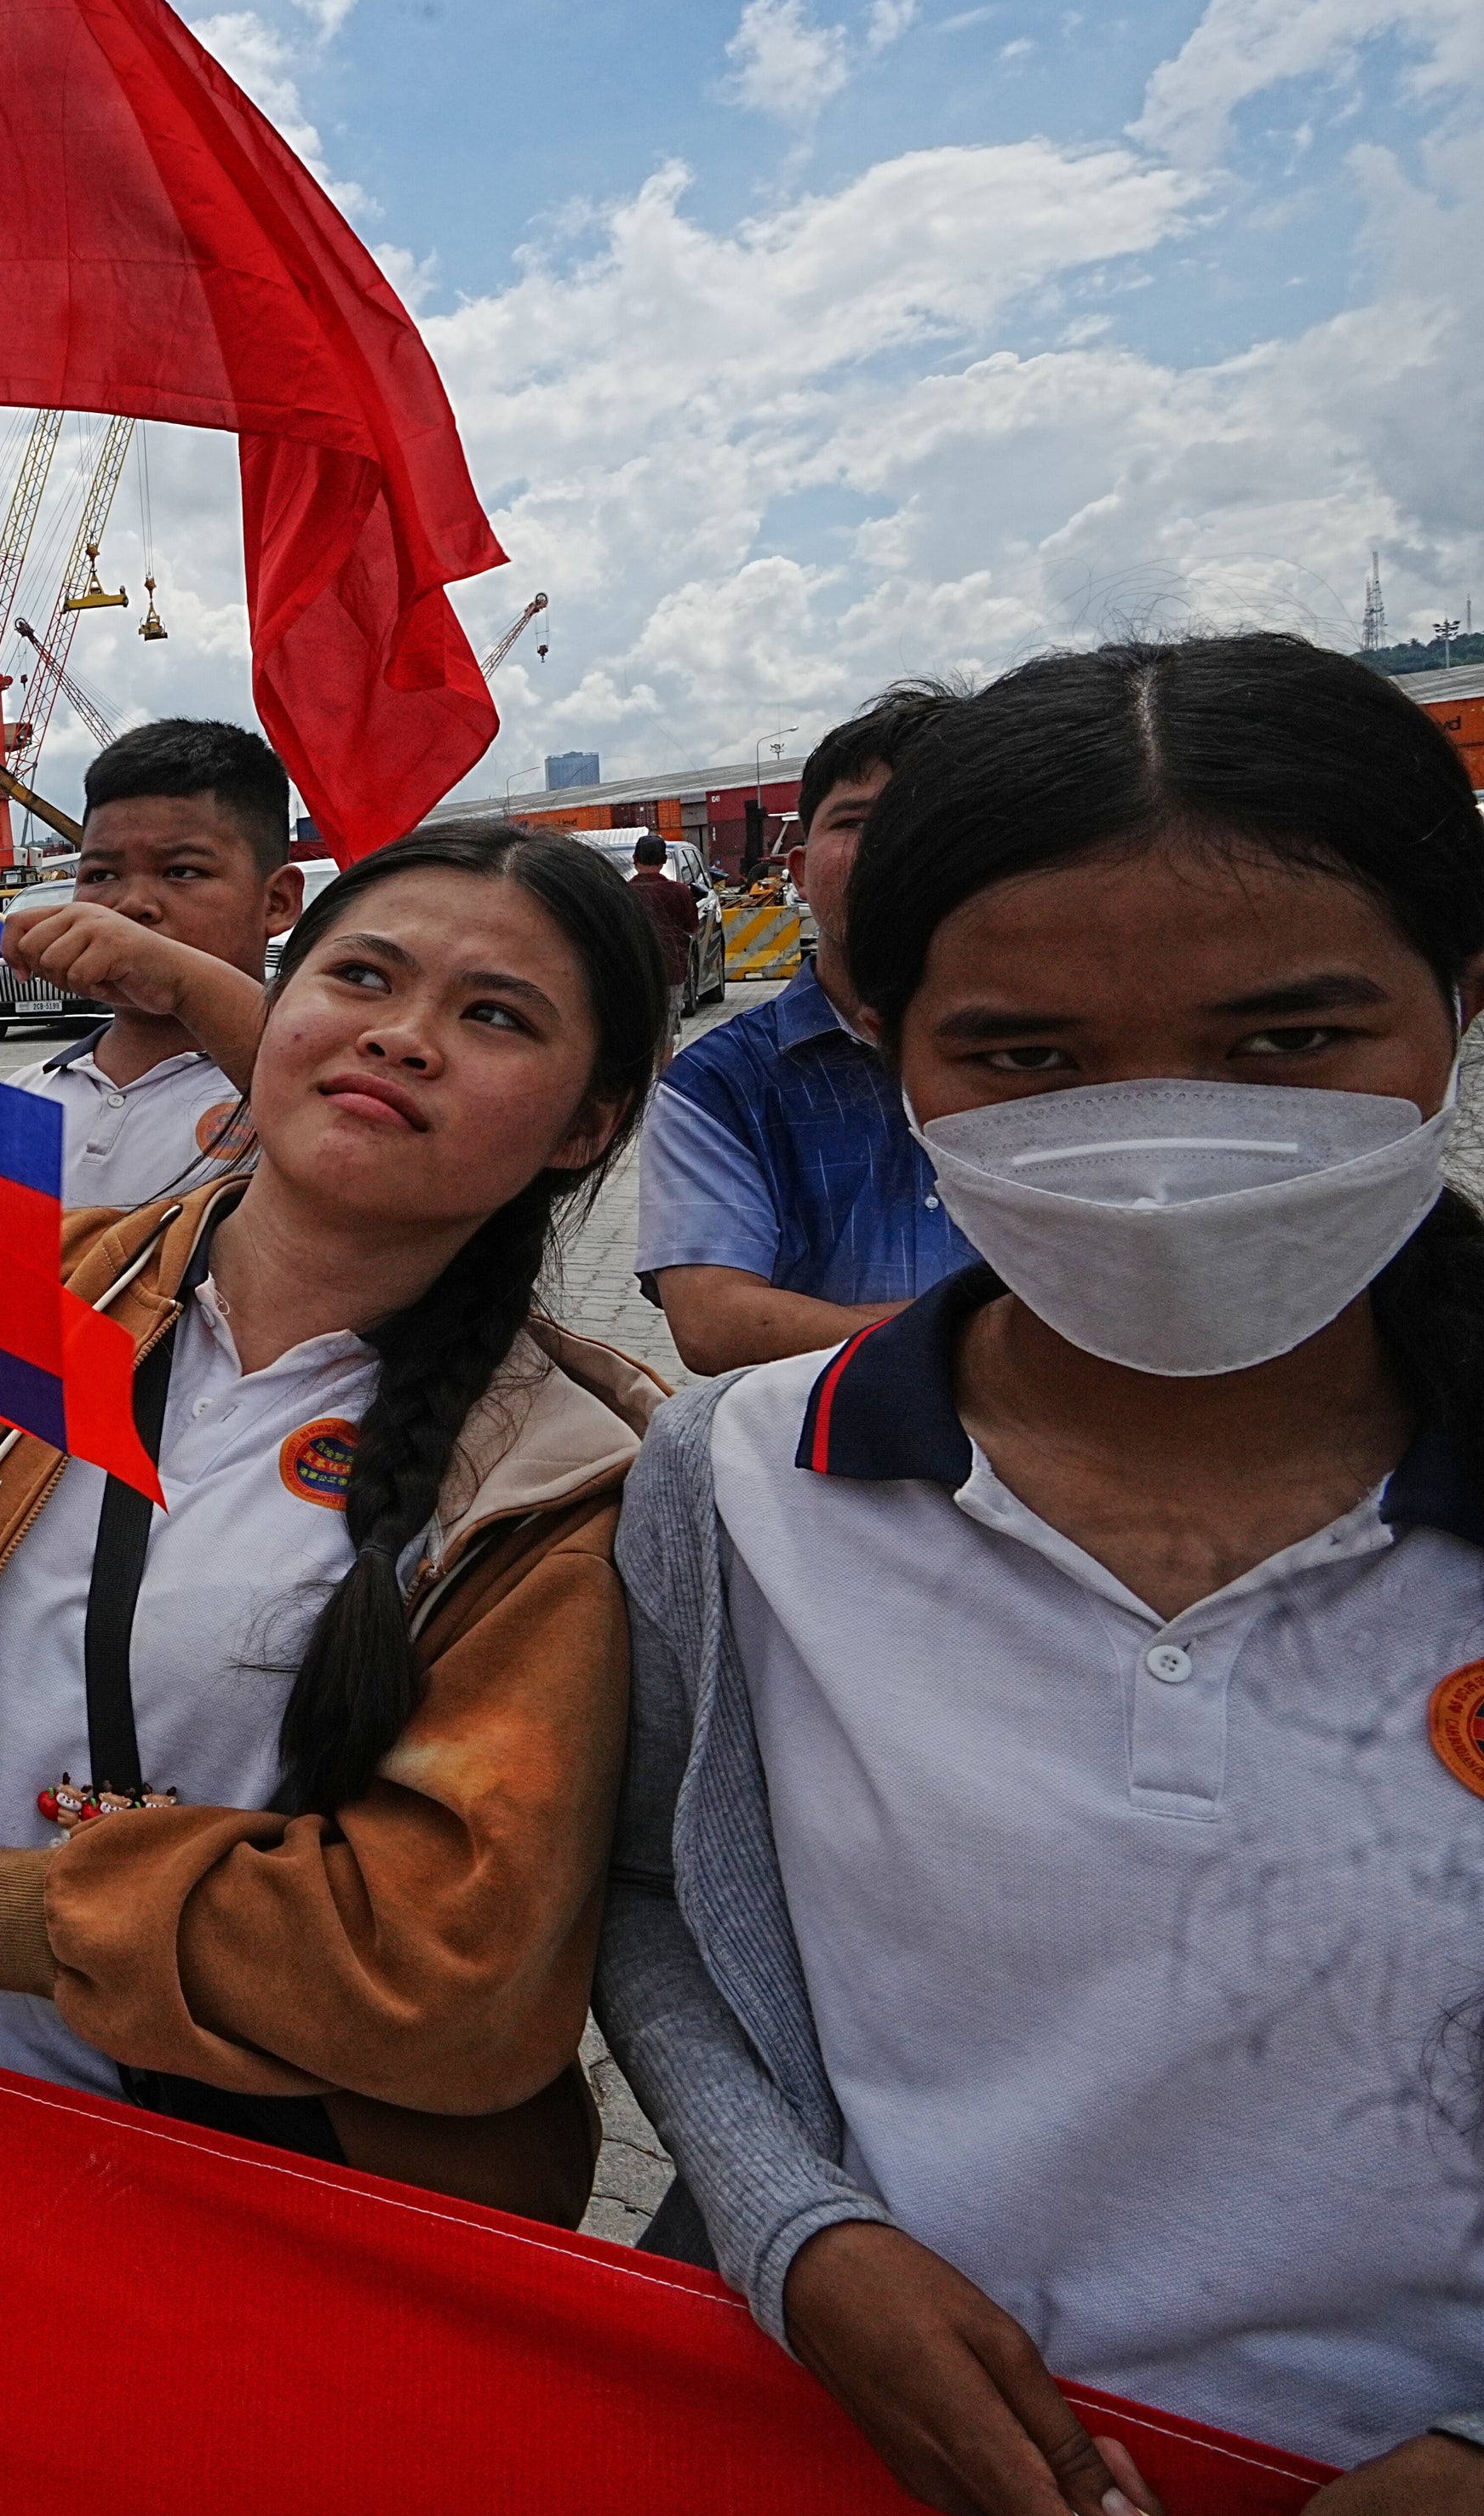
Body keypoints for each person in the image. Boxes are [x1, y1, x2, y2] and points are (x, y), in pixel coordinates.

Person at [598, 633, 1484, 2502]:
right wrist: (798, 2237)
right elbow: (657, 1896)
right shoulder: (741, 1481)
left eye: (1286, 1042)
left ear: (1456, 1004)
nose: (1157, 1149)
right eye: (1026, 1056)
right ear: (893, 1052)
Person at [0, 821, 668, 2222]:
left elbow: (442, 1957)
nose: (404, 1037)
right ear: (280, 1010)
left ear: (588, 1122)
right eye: (362, 976)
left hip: (267, 2238)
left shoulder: (565, 1481)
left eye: (493, 1015)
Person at [634, 691, 976, 1373]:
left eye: (932, 820)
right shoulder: (718, 1088)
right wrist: (1010, 1342)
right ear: (799, 872)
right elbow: (713, 1324)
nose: (893, 848)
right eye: (857, 822)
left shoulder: (1095, 1059)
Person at [0, 718, 307, 1208]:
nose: (130, 905)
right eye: (100, 875)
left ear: (277, 903)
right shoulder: (22, 1097)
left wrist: (184, 982)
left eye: (181, 871)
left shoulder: (318, 1088)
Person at [627, 833, 701, 977]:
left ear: (635, 859)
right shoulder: (680, 892)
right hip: (671, 972)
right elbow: (692, 928)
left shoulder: (621, 892)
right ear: (665, 860)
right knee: (673, 1001)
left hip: (634, 973)